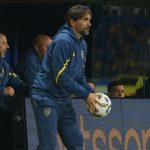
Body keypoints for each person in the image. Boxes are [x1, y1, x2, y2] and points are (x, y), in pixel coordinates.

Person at [31, 5, 101, 150]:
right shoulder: (62, 41)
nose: (89, 23)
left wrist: (91, 94)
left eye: (90, 20)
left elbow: (80, 76)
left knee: (76, 142)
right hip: (46, 97)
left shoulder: (83, 45)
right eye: (85, 20)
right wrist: (85, 95)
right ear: (72, 22)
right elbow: (60, 77)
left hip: (64, 99)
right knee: (48, 146)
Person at [0, 32, 29, 150]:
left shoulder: (5, 66)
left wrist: (40, 91)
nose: (7, 47)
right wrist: (2, 91)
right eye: (3, 43)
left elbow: (19, 84)